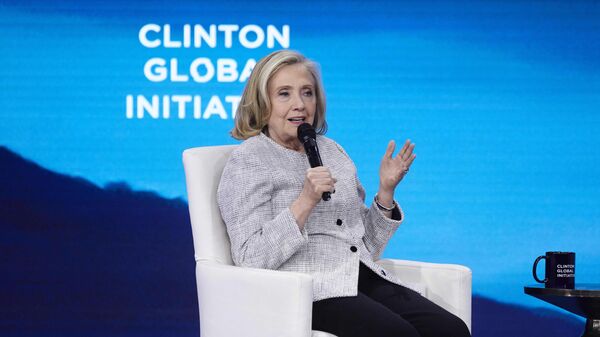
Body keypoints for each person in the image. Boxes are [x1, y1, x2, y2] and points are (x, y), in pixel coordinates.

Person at [217, 50, 470, 337]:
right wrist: (304, 203)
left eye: (307, 93)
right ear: (263, 104)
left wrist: (385, 193)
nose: (300, 105)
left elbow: (364, 244)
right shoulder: (249, 161)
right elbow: (250, 259)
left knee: (451, 330)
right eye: (284, 94)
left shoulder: (331, 151)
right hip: (305, 290)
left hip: (358, 276)